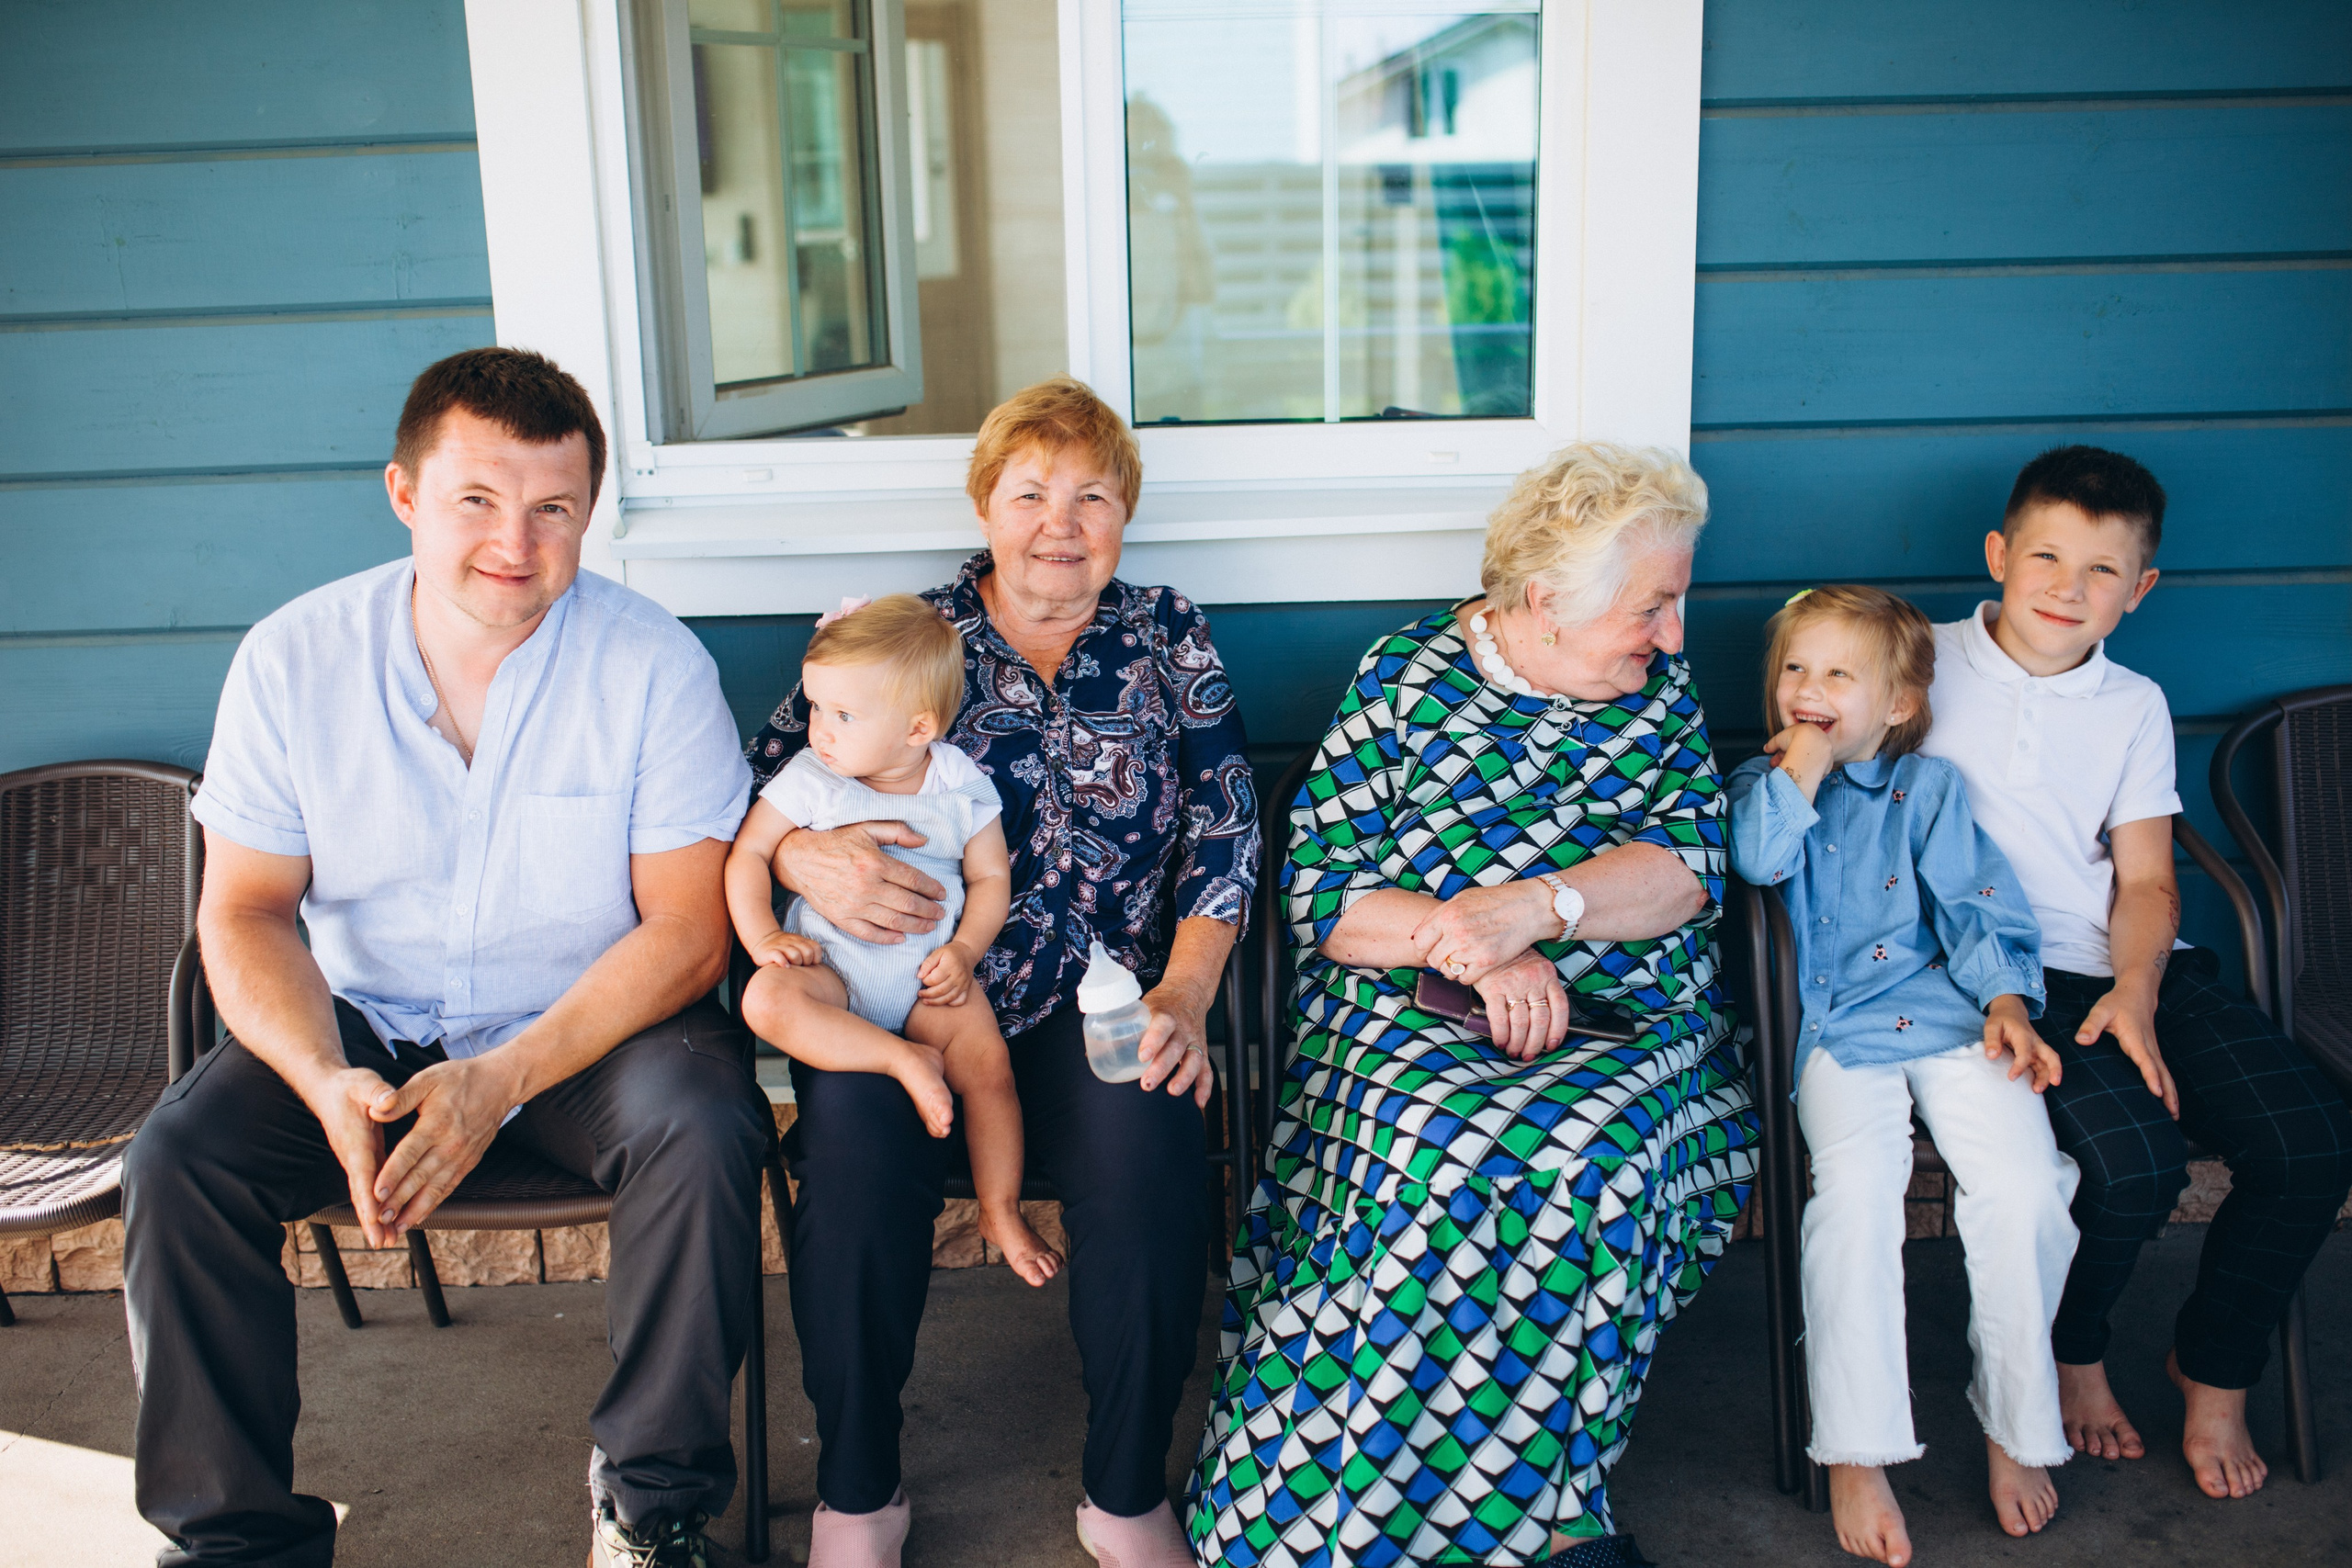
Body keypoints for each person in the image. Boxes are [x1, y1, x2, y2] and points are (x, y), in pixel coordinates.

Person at [121, 348, 770, 1568]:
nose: (514, 543)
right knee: (181, 1154)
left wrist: (506, 1073)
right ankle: (232, 1542)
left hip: (589, 1028)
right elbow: (248, 908)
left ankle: (654, 1508)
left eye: (552, 508)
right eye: (477, 499)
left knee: (705, 1120)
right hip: (363, 1021)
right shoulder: (292, 658)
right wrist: (322, 1079)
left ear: (588, 513)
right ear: (406, 494)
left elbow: (688, 932)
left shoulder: (651, 663)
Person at [1193, 443, 1756, 1568]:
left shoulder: (1660, 697)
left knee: (1585, 1159)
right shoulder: (1405, 676)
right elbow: (1327, 895)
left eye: (1675, 602)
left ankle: (1539, 1513)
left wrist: (1533, 911)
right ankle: (1333, 1522)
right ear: (1545, 600)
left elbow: (1690, 867)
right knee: (1439, 1153)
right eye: (1652, 606)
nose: (1675, 635)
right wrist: (1471, 946)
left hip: (1625, 1017)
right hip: (1407, 1006)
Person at [742, 377, 1257, 1568]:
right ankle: (859, 1490)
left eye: (1092, 494)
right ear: (984, 503)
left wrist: (1183, 993)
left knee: (1151, 1139)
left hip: (1107, 1003)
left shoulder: (1166, 631)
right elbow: (767, 781)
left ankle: (1126, 1492)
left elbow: (1228, 826)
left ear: (1125, 511)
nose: (1059, 522)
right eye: (1029, 492)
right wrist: (810, 850)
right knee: (859, 1155)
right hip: (906, 1001)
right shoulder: (907, 637)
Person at [1918, 445, 2352, 1501]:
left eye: (2101, 571)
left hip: (2128, 964)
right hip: (2001, 982)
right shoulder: (1916, 663)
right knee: (2135, 1165)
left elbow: (2148, 881)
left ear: (2139, 590)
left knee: (2309, 1138)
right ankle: (2075, 1353)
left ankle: (2213, 1369)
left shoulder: (2131, 704)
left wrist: (2137, 993)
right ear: (1997, 554)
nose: (2068, 589)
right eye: (2045, 557)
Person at [1727, 585, 2077, 1566]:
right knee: (1860, 1195)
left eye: (1839, 675)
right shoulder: (1761, 788)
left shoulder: (1928, 792)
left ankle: (2014, 1422)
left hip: (1945, 1017)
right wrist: (1799, 760)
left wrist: (2007, 1002)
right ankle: (1857, 1445)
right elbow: (1756, 863)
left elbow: (1975, 903)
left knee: (2024, 1188)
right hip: (1831, 1033)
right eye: (1795, 669)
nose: (1810, 687)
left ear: (1896, 704)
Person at [728, 593, 1060, 1285]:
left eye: (842, 715)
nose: (818, 729)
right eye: (816, 707)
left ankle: (1000, 1207)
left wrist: (965, 950)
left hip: (931, 980)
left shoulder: (961, 784)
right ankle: (899, 1060)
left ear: (919, 728)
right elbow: (748, 857)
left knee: (990, 1073)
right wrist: (764, 936)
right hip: (834, 973)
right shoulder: (811, 778)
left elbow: (990, 877)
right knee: (765, 1001)